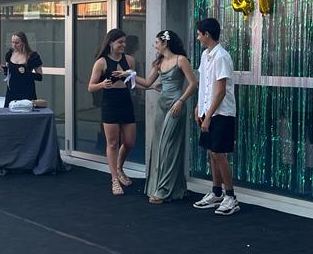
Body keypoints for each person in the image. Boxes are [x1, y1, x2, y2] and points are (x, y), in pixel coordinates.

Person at [136, 30, 198, 204]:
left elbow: (193, 84)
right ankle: (173, 187)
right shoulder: (159, 62)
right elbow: (147, 83)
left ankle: (163, 190)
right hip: (162, 105)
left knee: (168, 146)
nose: (155, 45)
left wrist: (181, 101)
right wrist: (130, 75)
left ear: (165, 43)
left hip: (176, 105)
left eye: (157, 42)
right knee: (158, 145)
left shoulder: (181, 60)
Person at [192, 17, 239, 215]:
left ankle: (231, 196)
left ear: (207, 34)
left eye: (199, 34)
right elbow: (204, 83)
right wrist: (198, 106)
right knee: (212, 152)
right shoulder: (205, 55)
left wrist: (209, 115)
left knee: (219, 153)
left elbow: (220, 91)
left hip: (222, 113)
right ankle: (216, 192)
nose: (197, 37)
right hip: (208, 110)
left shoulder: (222, 56)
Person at [87, 28, 137, 196]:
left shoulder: (129, 60)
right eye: (120, 42)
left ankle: (119, 168)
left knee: (129, 141)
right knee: (113, 142)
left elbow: (133, 82)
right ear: (110, 43)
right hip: (109, 102)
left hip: (125, 100)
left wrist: (150, 87)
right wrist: (102, 84)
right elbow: (90, 86)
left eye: (124, 42)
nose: (123, 45)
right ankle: (114, 178)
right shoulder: (101, 62)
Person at [0, 31, 43, 108]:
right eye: (12, 42)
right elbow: (10, 73)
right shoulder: (10, 53)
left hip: (27, 92)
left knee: (26, 112)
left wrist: (26, 72)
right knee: (9, 113)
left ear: (23, 43)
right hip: (11, 92)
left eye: (17, 43)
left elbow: (39, 77)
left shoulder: (32, 56)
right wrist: (5, 70)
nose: (14, 45)